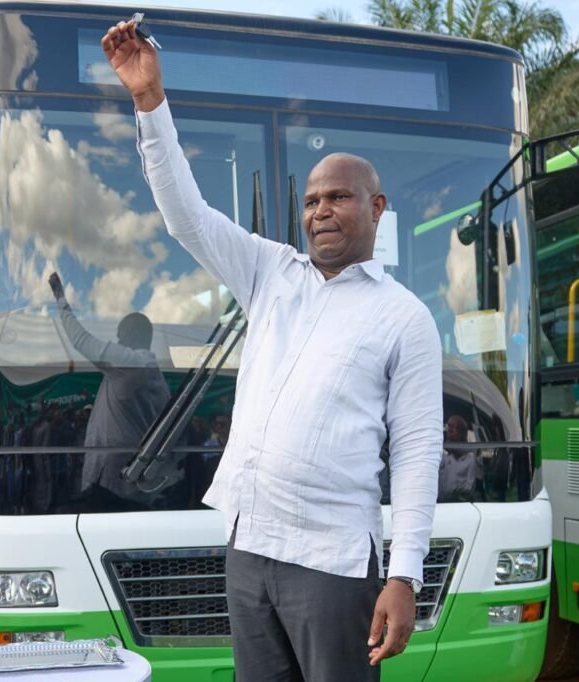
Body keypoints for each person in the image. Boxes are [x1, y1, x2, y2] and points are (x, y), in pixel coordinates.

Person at [102, 21, 442, 681]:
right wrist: (149, 102)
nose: (320, 210)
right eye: (311, 200)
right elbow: (186, 215)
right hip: (250, 547)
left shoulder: (404, 317)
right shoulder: (270, 272)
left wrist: (404, 575)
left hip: (333, 563)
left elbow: (418, 453)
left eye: (338, 197)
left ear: (376, 207)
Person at [48, 272, 171, 507]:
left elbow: (80, 340)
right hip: (135, 489)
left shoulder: (130, 362)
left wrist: (60, 298)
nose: (117, 338)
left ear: (134, 335)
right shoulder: (158, 378)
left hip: (110, 488)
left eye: (120, 334)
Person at [439, 415, 478, 502]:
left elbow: (469, 488)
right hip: (441, 504)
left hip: (461, 504)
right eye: (448, 426)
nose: (449, 430)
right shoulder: (443, 457)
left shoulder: (470, 461)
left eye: (452, 427)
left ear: (461, 433)